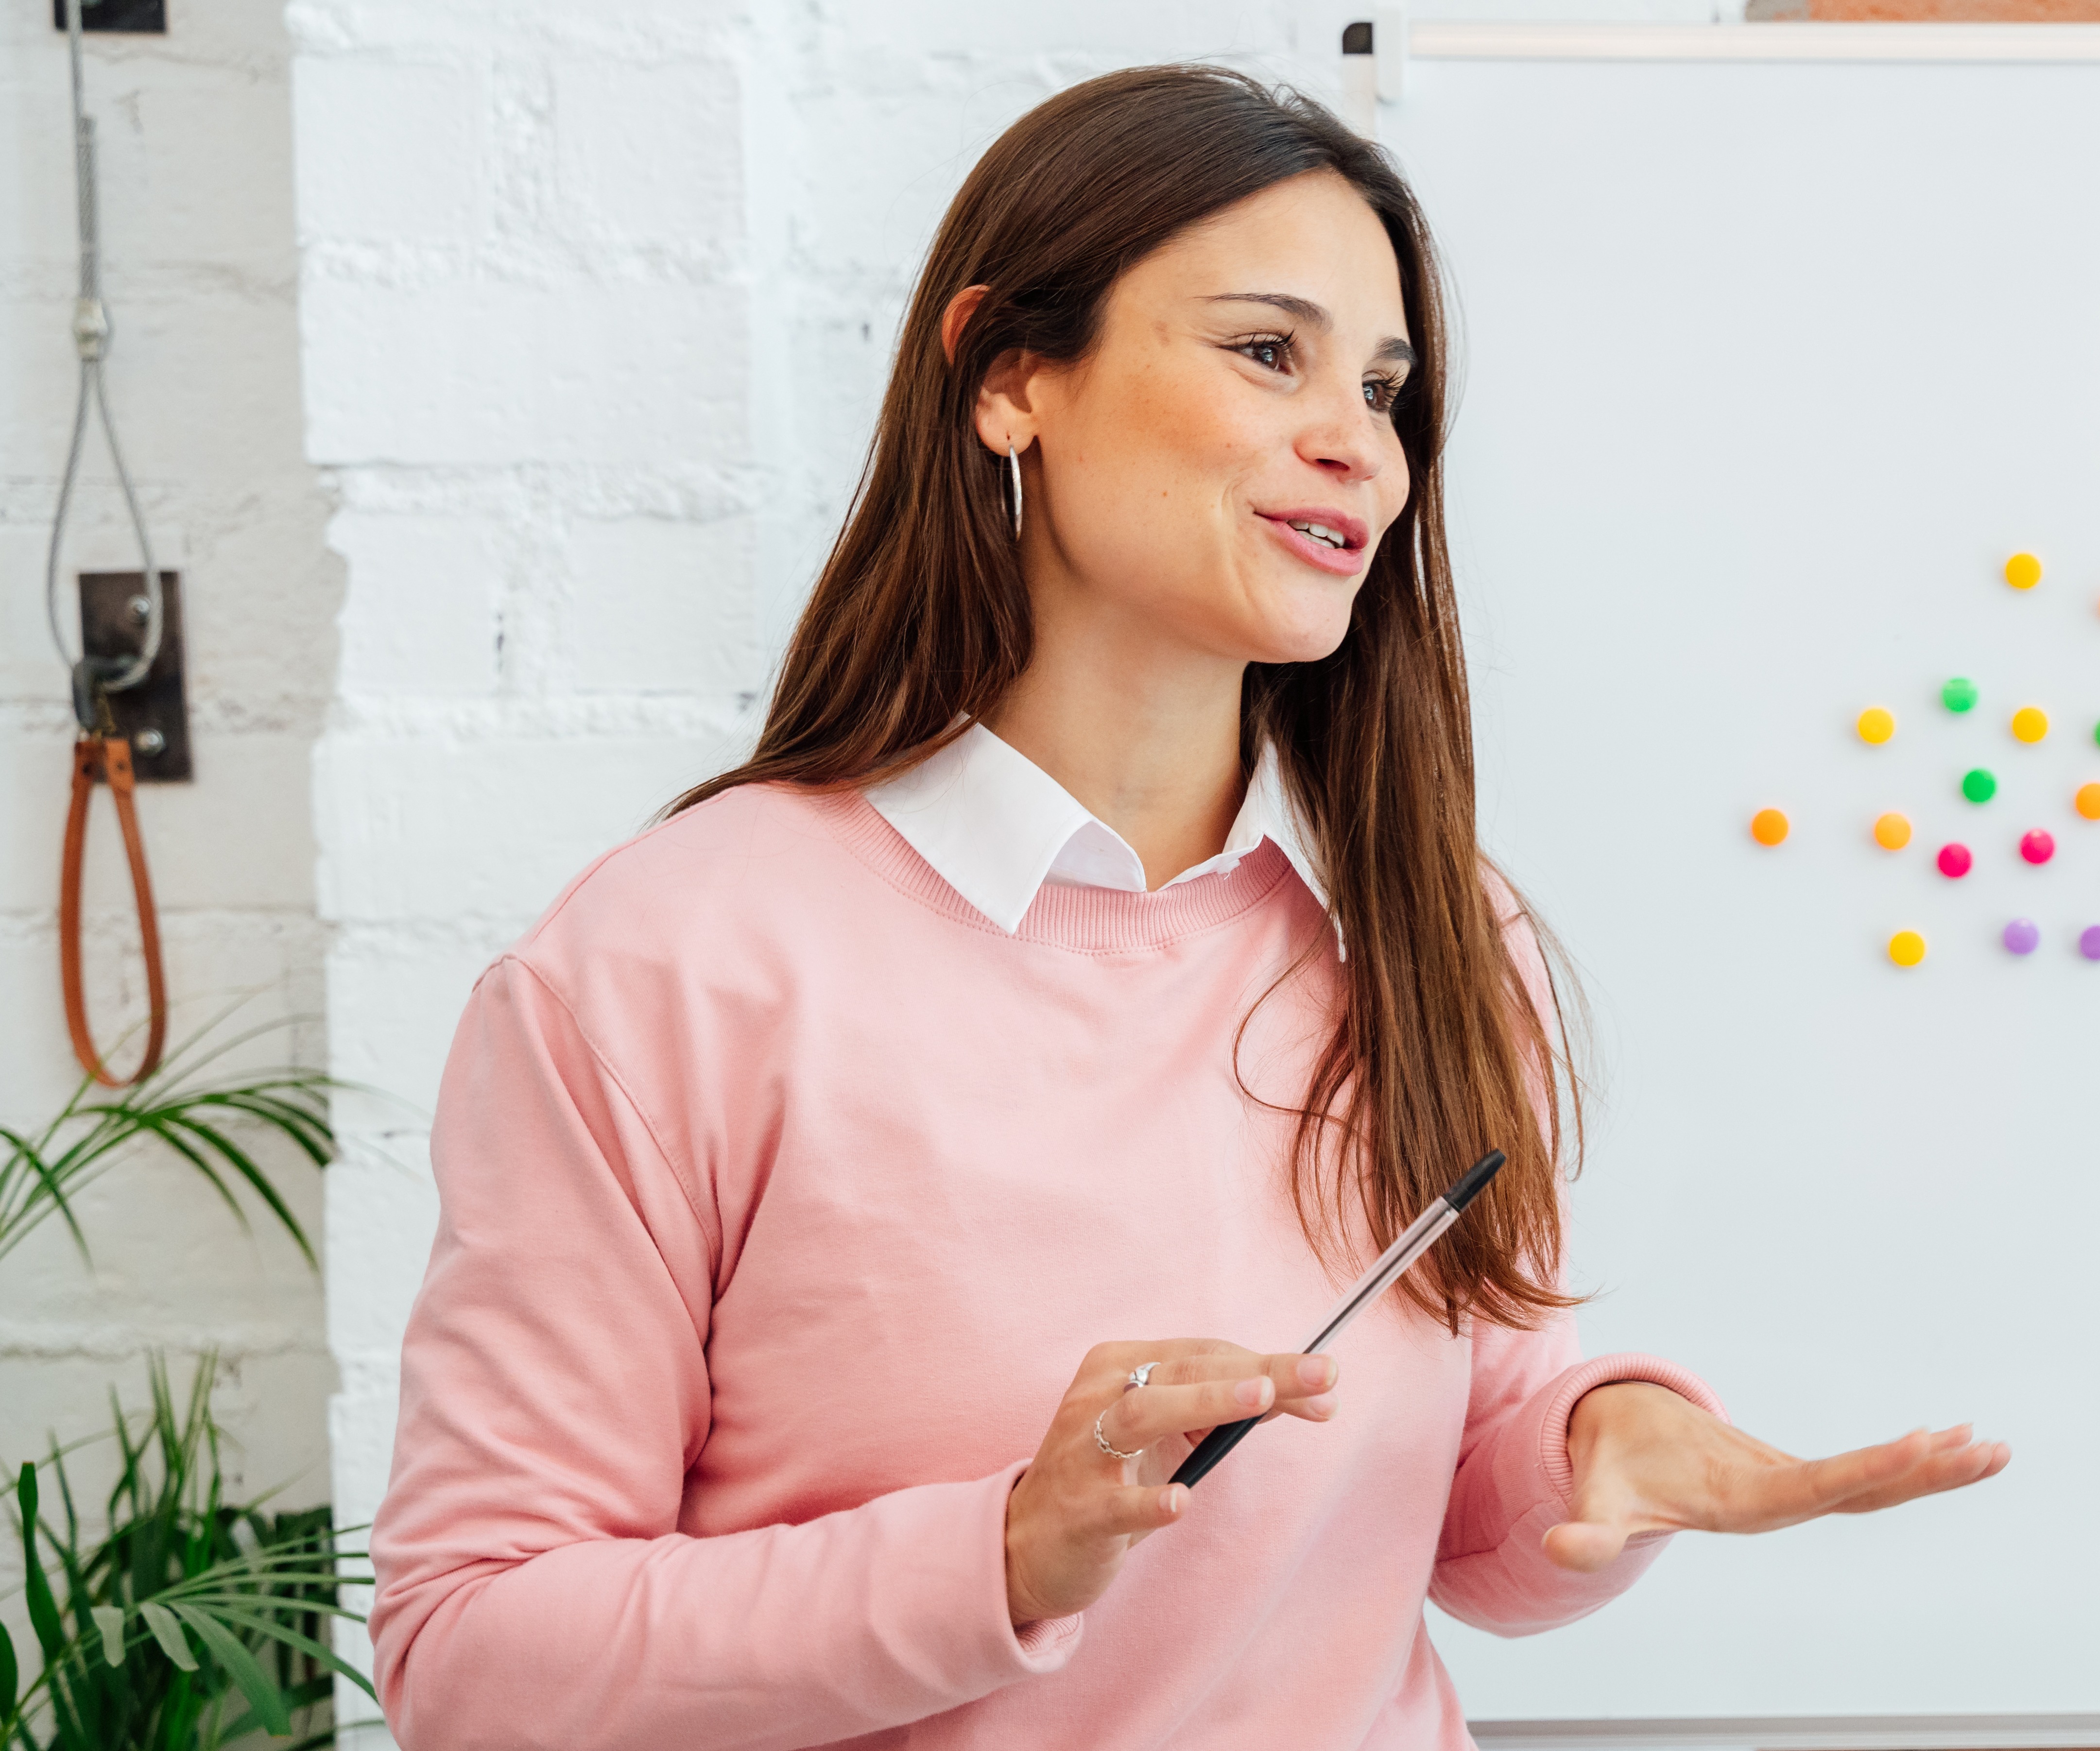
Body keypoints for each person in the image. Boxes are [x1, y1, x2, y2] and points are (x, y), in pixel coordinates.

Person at [366, 65, 2006, 1751]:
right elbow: (472, 1655)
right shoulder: (671, 963)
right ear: (1011, 373)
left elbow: (1461, 1507)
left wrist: (1604, 1444)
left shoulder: (1434, 933)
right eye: (1264, 351)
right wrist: (1000, 1549)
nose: (1354, 443)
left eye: (1384, 386)